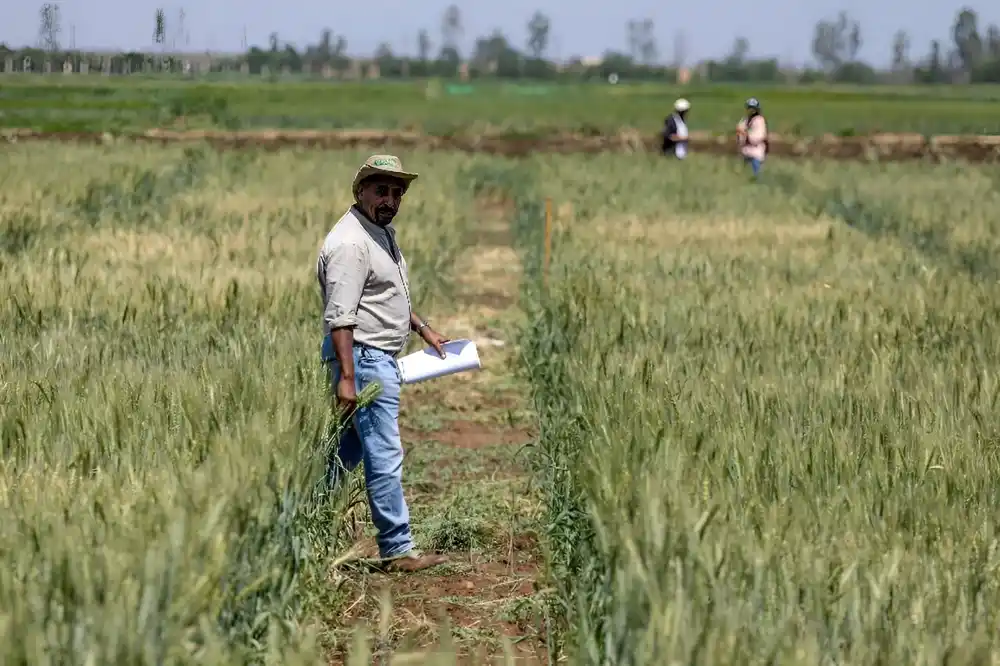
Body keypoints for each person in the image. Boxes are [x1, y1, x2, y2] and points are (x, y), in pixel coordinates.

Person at [316, 154, 451, 573]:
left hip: (376, 359)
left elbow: (383, 296)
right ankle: (397, 550)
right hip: (364, 360)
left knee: (345, 455)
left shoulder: (378, 232)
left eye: (396, 192)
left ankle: (308, 523)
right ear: (360, 191)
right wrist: (348, 380)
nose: (389, 198)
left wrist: (423, 329)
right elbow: (341, 316)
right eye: (381, 190)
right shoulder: (351, 244)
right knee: (384, 454)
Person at [736, 97, 768, 178]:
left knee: (756, 172)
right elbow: (740, 130)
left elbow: (759, 135)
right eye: (749, 108)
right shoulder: (745, 120)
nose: (751, 110)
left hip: (756, 151)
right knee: (743, 172)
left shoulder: (760, 120)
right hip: (746, 151)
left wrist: (745, 134)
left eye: (753, 108)